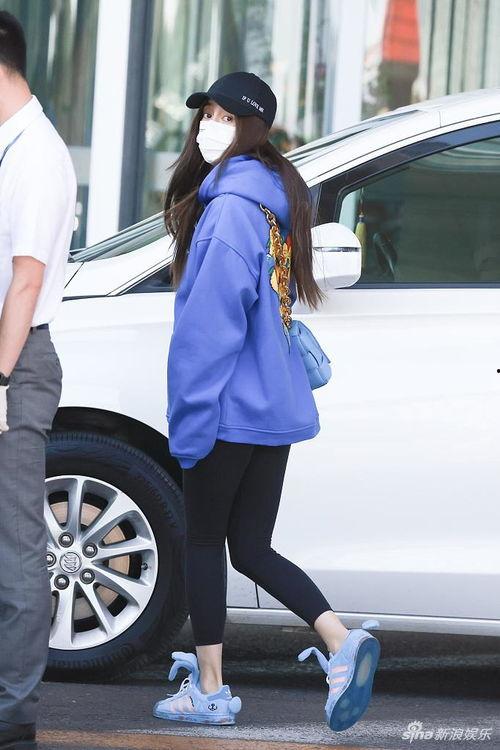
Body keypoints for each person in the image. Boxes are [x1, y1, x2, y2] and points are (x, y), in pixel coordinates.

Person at [153, 71, 381, 733]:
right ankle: (341, 640)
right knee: (250, 547)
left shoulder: (228, 210)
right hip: (270, 408)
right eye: (206, 114)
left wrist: (190, 419)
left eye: (225, 117)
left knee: (203, 541)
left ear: (252, 128)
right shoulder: (274, 202)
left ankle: (210, 690)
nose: (209, 126)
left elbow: (208, 333)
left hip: (226, 409)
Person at [0, 11, 77, 748]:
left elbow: (25, 282)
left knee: (16, 540)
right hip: (8, 359)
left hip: (13, 362)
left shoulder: (37, 157)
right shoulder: (12, 147)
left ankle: (12, 710)